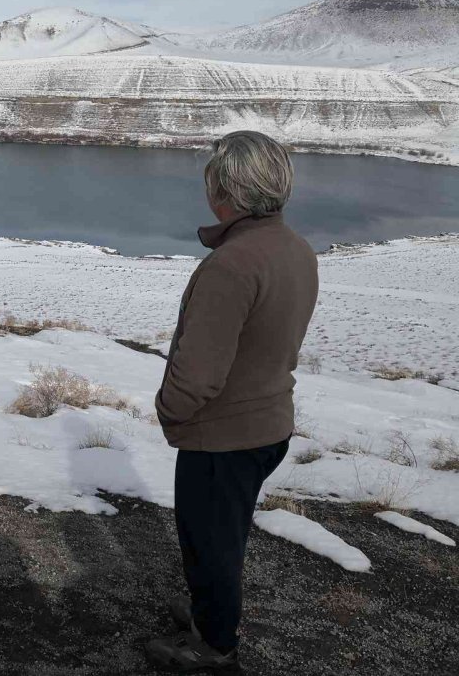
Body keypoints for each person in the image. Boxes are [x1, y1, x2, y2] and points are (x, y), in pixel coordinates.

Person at [146, 131, 319, 672]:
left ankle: (214, 645)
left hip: (224, 436)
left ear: (224, 190)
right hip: (269, 423)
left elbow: (198, 375)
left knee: (211, 542)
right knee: (225, 533)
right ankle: (207, 614)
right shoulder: (294, 248)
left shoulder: (232, 264)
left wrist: (170, 410)